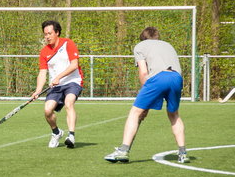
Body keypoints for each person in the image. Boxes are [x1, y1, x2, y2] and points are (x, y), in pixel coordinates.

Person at [104, 26, 188, 163]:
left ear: (142, 38)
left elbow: (143, 73)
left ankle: (123, 151)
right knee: (174, 114)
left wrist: (145, 105)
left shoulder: (140, 46)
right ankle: (183, 153)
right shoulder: (168, 45)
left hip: (158, 78)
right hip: (177, 78)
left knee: (135, 112)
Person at [31, 20, 84, 148]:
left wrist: (59, 76)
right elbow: (43, 72)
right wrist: (38, 90)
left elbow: (74, 65)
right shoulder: (44, 52)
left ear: (57, 32)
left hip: (73, 81)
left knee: (68, 103)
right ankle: (56, 132)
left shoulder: (68, 44)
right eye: (45, 34)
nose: (47, 36)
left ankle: (71, 135)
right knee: (47, 110)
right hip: (56, 86)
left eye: (50, 33)